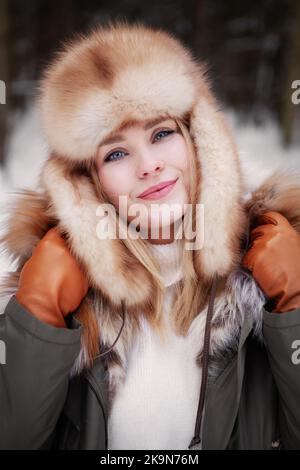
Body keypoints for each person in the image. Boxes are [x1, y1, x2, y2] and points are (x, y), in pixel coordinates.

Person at [1, 20, 300, 451]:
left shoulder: (268, 272)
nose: (148, 165)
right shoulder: (59, 291)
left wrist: (293, 307)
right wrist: (39, 318)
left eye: (162, 133)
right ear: (88, 182)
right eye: (117, 152)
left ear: (200, 141)